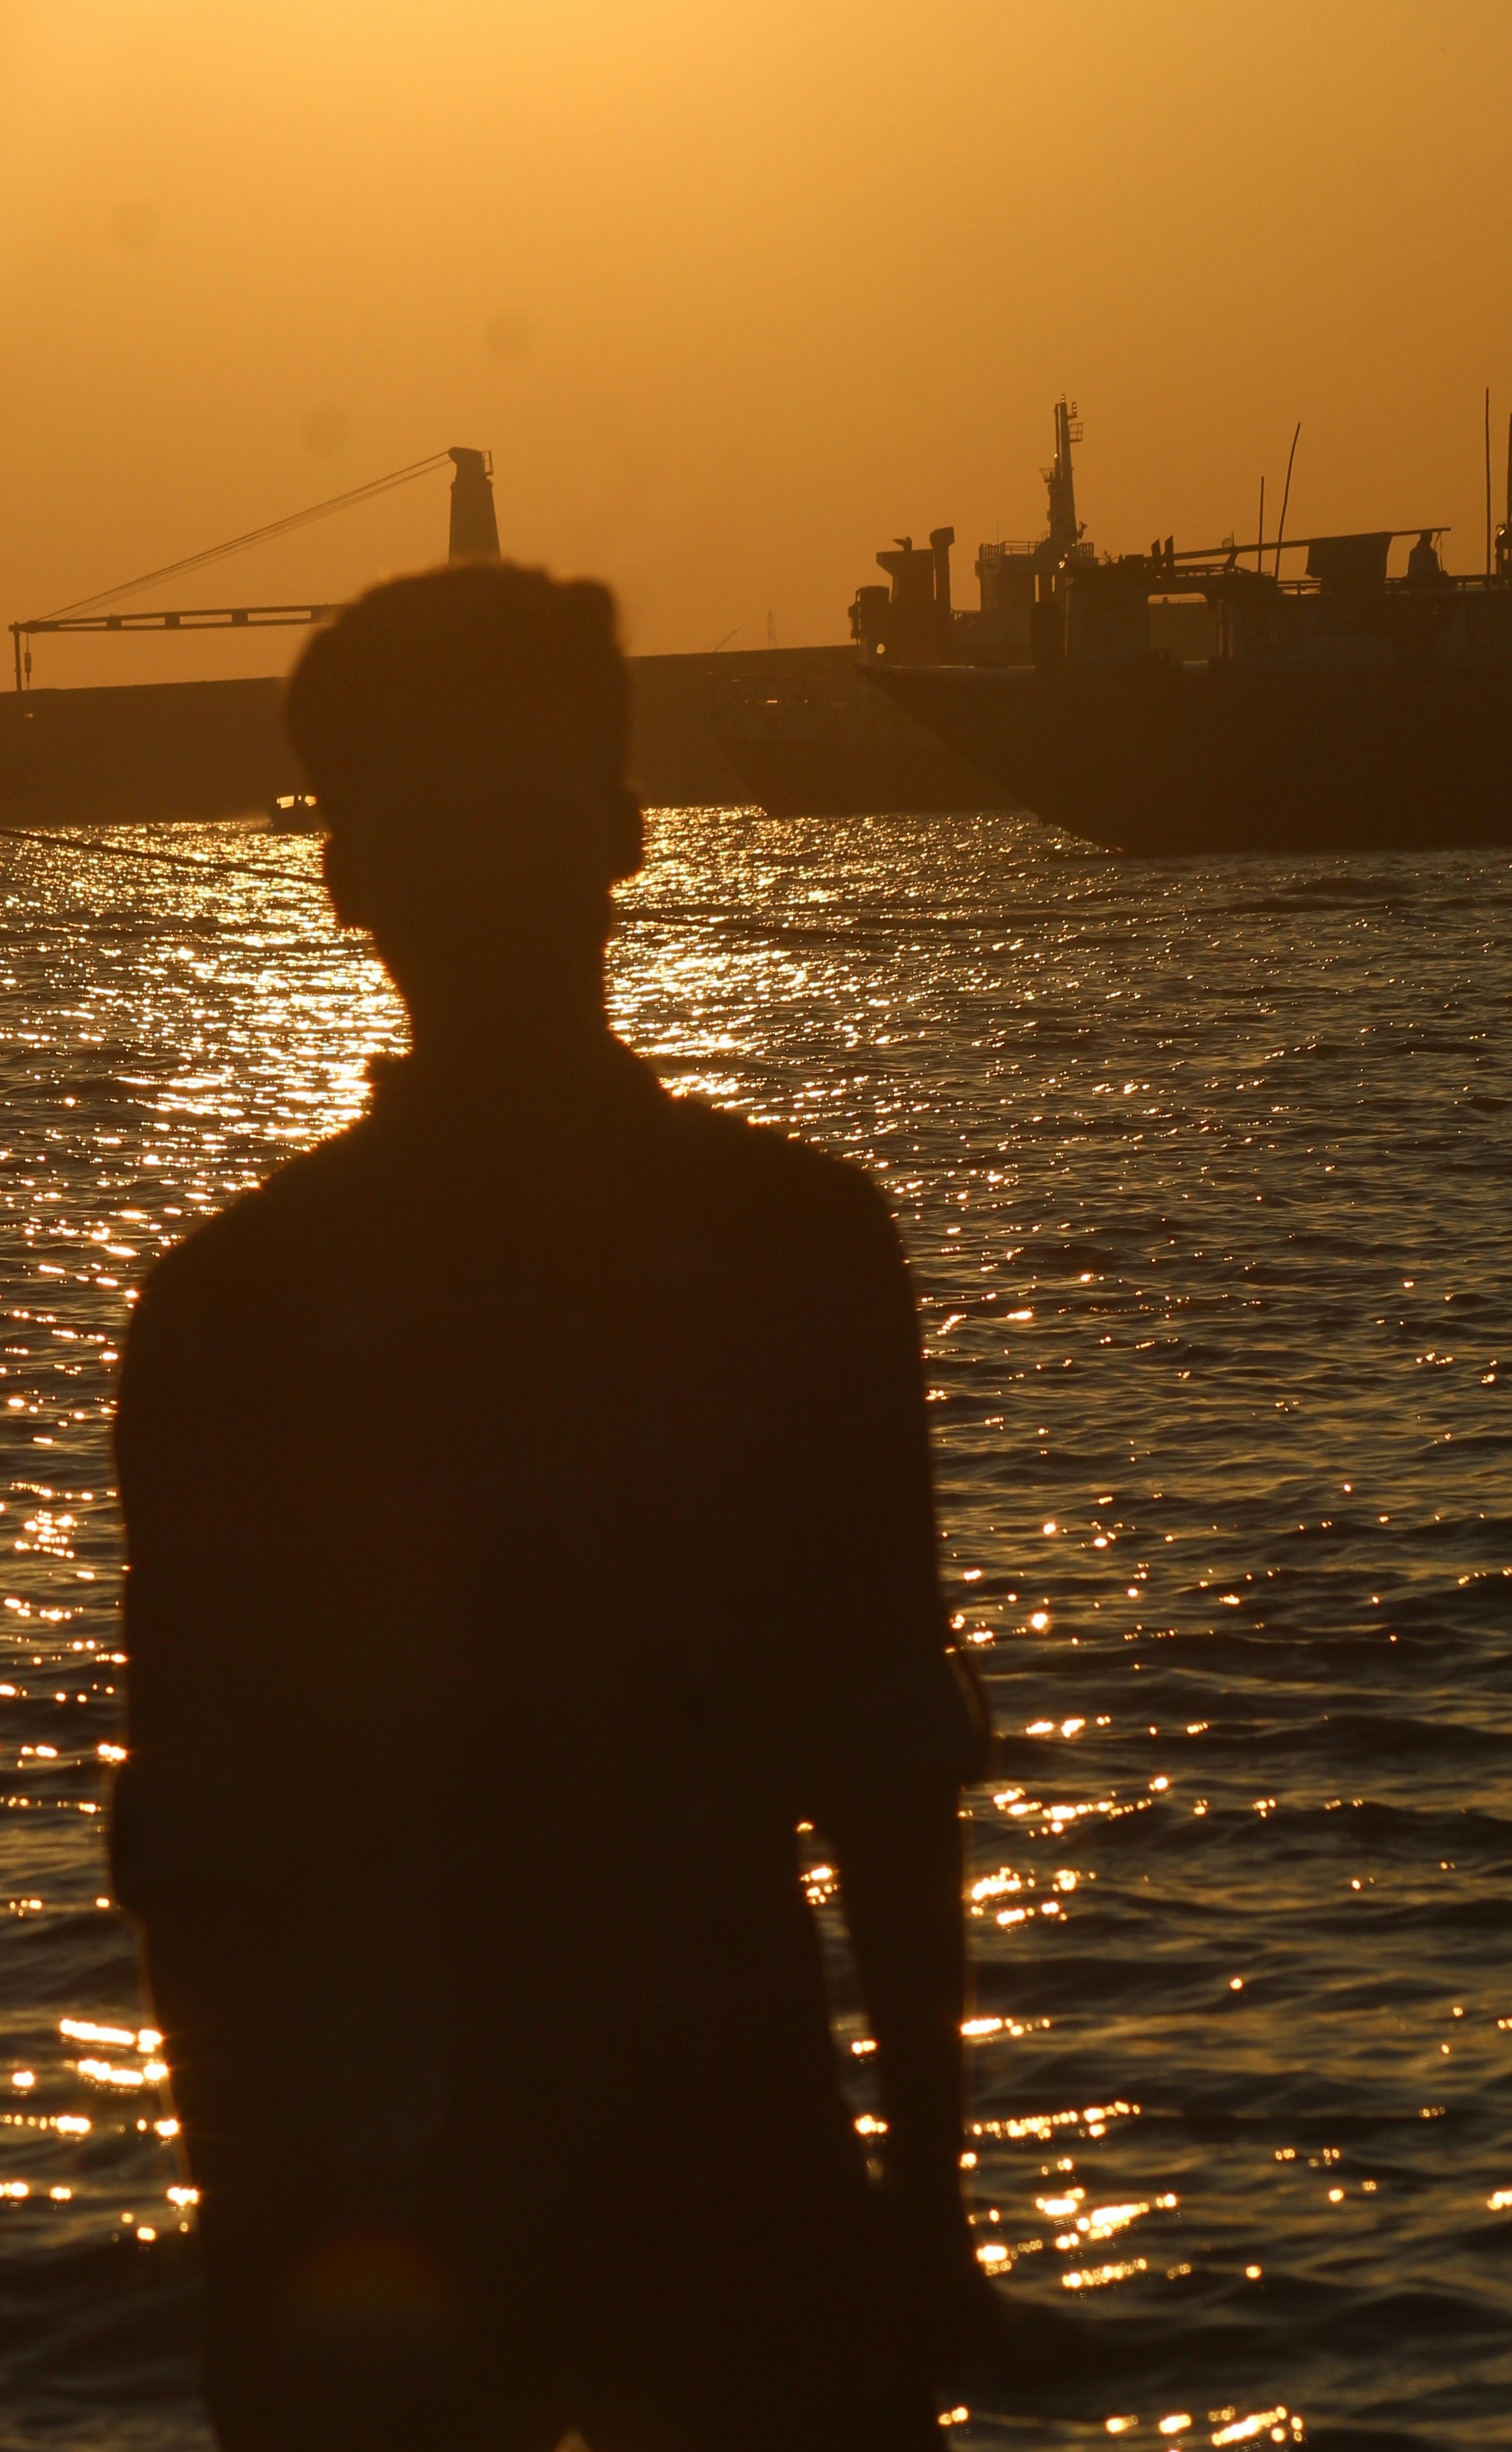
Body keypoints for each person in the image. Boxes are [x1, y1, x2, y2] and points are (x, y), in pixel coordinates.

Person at [112, 565, 990, 2450]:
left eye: (500, 806)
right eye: (446, 817)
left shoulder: (236, 1306)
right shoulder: (789, 1244)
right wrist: (928, 2200)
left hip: (490, 2198)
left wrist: (254, 2247)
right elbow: (891, 1768)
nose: (487, 868)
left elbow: (202, 1855)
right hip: (655, 2188)